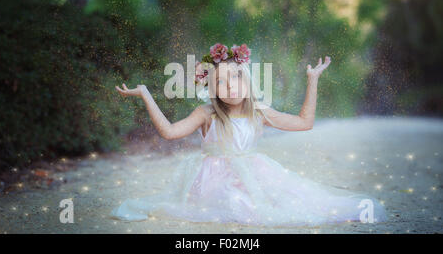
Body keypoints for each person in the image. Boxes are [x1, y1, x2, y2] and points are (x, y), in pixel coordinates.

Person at [110, 43, 387, 226]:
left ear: (246, 79)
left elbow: (304, 122)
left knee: (290, 204)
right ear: (212, 89)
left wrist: (312, 81)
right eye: (220, 81)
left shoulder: (259, 111)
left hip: (252, 173)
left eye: (236, 77)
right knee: (232, 204)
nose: (230, 87)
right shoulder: (206, 113)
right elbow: (170, 133)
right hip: (211, 180)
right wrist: (146, 94)